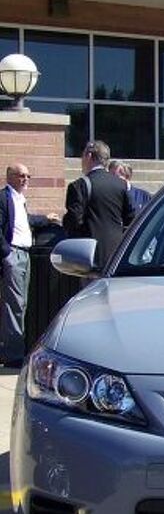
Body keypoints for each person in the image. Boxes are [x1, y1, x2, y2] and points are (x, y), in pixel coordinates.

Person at [0, 164, 60, 367]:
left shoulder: (20, 199)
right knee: (15, 305)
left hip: (25, 255)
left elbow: (25, 222)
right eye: (22, 175)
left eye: (28, 176)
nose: (26, 179)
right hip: (13, 255)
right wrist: (7, 253)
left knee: (21, 304)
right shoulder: (3, 198)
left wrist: (46, 219)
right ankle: (13, 356)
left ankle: (13, 350)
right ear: (10, 177)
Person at [63, 141, 135, 270]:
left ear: (89, 156)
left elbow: (74, 220)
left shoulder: (79, 186)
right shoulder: (120, 184)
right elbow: (130, 219)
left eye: (82, 156)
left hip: (89, 256)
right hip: (116, 255)